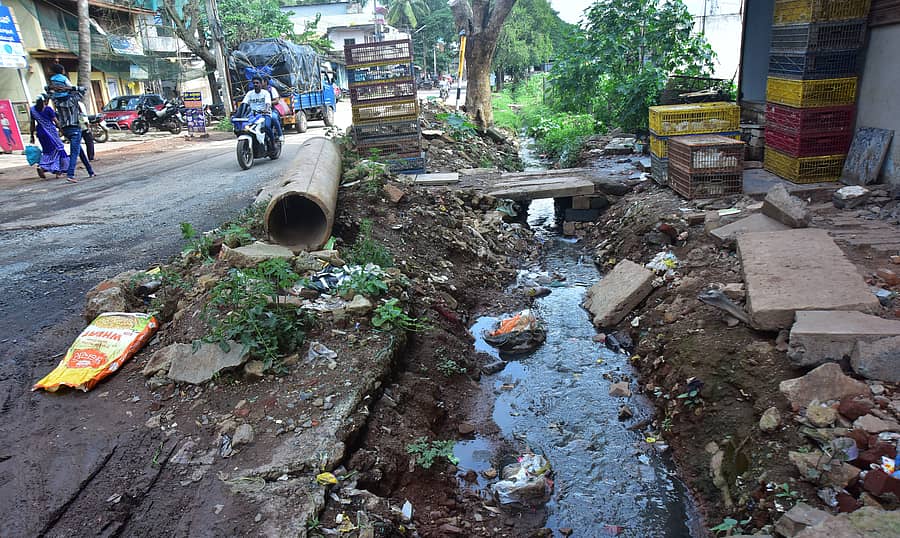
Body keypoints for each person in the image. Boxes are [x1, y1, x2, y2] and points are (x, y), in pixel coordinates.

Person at [47, 67, 94, 182]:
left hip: (65, 129)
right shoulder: (73, 99)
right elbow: (83, 89)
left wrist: (54, 88)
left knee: (79, 150)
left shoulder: (56, 101)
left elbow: (47, 90)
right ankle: (71, 174)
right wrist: (69, 88)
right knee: (75, 152)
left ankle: (90, 171)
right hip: (74, 128)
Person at [28, 94, 69, 179]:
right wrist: (62, 130)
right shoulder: (48, 109)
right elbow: (56, 121)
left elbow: (32, 123)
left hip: (40, 133)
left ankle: (42, 167)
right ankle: (58, 171)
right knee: (58, 150)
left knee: (47, 151)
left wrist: (32, 135)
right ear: (45, 101)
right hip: (51, 133)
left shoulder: (32, 110)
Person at [241, 76, 273, 143]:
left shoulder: (265, 93)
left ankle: (272, 144)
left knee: (266, 127)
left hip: (264, 114)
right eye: (254, 83)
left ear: (261, 84)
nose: (255, 84)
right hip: (253, 115)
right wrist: (238, 113)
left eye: (257, 83)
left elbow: (268, 103)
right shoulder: (250, 93)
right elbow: (244, 103)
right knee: (245, 128)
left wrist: (266, 110)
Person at [263, 76, 284, 142]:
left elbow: (277, 100)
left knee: (274, 118)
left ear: (265, 82)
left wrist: (268, 103)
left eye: (261, 81)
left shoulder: (272, 89)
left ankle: (280, 135)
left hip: (271, 110)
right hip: (260, 111)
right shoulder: (257, 91)